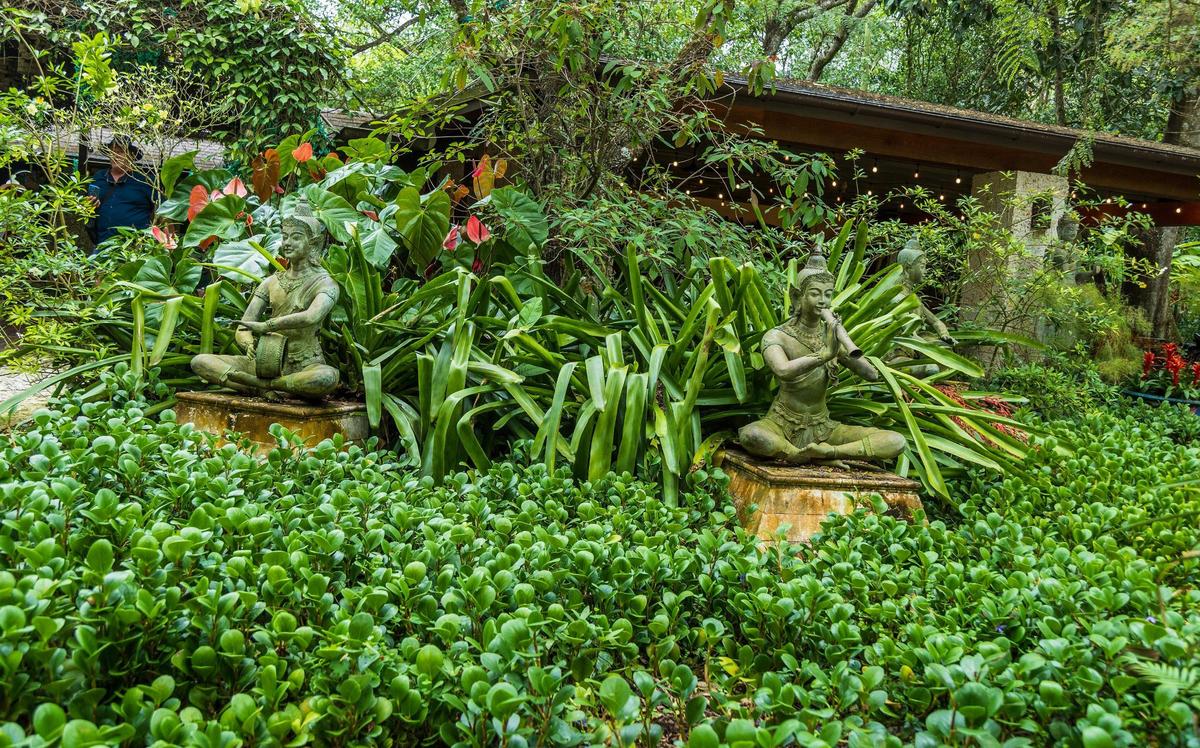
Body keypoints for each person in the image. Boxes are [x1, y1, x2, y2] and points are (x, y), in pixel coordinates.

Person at [737, 251, 906, 465]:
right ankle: (795, 453)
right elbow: (782, 370)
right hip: (781, 424)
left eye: (828, 295)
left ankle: (827, 453)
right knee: (753, 436)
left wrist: (844, 343)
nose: (823, 301)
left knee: (895, 441)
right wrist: (824, 355)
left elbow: (871, 374)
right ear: (798, 296)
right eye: (815, 294)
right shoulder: (777, 336)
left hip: (824, 429)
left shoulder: (830, 337)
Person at [190, 197, 341, 400]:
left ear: (313, 243)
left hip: (305, 364)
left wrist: (267, 326)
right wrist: (247, 343)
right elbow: (244, 326)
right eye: (284, 236)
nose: (287, 243)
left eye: (295, 237)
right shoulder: (270, 282)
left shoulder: (325, 283)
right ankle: (262, 385)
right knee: (200, 362)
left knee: (326, 378)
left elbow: (311, 317)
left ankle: (267, 386)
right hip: (264, 361)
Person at [87, 137, 156, 246]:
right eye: (112, 152)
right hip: (103, 244)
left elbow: (163, 212)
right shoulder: (98, 177)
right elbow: (84, 207)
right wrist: (90, 205)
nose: (115, 155)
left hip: (135, 246)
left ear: (131, 156)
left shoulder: (146, 180)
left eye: (120, 152)